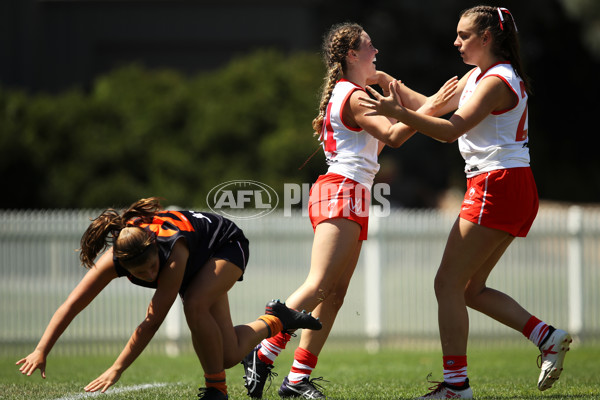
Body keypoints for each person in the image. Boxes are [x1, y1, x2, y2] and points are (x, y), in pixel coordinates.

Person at [359, 5, 572, 399]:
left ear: (487, 38)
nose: (456, 42)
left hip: (498, 183)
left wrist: (397, 111)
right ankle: (548, 337)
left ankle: (456, 386)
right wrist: (390, 83)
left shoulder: (498, 81)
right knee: (470, 290)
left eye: (464, 35)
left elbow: (449, 129)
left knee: (446, 285)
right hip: (507, 184)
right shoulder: (478, 77)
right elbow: (434, 106)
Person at [241, 22, 457, 399]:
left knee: (335, 294)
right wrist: (434, 105)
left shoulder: (360, 92)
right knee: (318, 284)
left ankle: (297, 379)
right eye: (369, 46)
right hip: (340, 191)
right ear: (351, 55)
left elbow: (405, 125)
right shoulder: (355, 96)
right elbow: (393, 135)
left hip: (354, 193)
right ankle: (261, 348)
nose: (376, 52)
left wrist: (422, 102)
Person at [16, 197, 322, 400]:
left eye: (153, 266)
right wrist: (42, 349)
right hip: (202, 257)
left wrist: (117, 368)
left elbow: (151, 321)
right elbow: (72, 304)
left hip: (225, 245)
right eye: (142, 272)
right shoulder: (114, 260)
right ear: (123, 266)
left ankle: (216, 390)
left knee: (194, 304)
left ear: (155, 249)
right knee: (228, 354)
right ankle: (278, 318)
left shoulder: (173, 253)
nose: (151, 274)